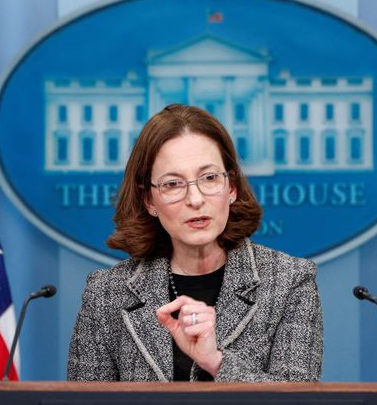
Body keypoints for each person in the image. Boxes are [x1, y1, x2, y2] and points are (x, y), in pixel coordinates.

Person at [67, 104, 323, 382]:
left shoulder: (290, 281)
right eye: (173, 184)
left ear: (232, 188)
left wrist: (216, 361)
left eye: (210, 178)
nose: (195, 199)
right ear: (149, 200)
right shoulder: (106, 294)